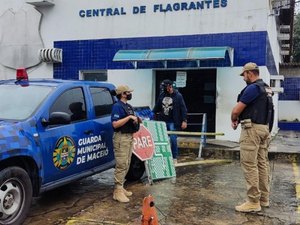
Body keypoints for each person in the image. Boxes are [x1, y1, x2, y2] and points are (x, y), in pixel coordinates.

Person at [231, 62, 274, 213]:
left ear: (250, 73)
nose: (244, 78)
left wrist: (233, 118)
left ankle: (253, 201)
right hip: (264, 129)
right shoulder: (266, 88)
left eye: (244, 75)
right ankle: (264, 198)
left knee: (249, 164)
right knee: (262, 163)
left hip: (252, 130)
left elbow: (237, 109)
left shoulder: (253, 88)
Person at [111, 85, 141, 203]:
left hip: (129, 137)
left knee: (127, 163)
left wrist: (136, 120)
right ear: (123, 94)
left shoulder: (128, 106)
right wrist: (129, 117)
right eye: (128, 92)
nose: (130, 94)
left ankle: (121, 187)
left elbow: (131, 119)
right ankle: (117, 191)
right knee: (121, 164)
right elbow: (115, 124)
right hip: (121, 138)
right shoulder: (117, 107)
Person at [153, 79, 188, 164]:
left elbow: (183, 109)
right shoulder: (161, 95)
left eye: (165, 87)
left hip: (173, 121)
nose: (164, 88)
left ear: (170, 86)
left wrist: (184, 120)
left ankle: (174, 157)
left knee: (173, 139)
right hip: (162, 121)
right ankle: (162, 156)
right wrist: (151, 116)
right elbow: (156, 107)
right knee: (161, 139)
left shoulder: (178, 96)